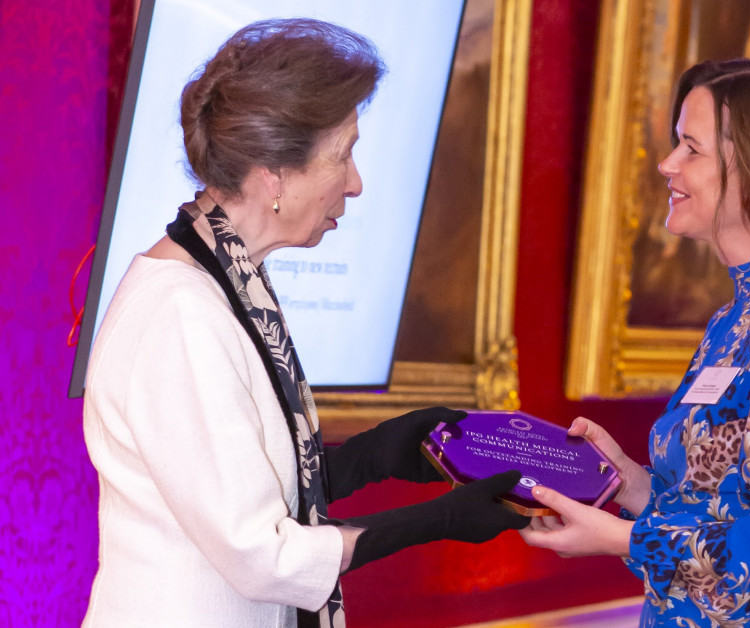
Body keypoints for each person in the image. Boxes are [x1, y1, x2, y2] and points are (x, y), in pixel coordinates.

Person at [82, 19, 527, 628]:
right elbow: (259, 551)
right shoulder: (180, 313)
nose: (356, 183)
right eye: (341, 155)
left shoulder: (227, 280)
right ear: (275, 175)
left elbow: (244, 483)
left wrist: (377, 453)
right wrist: (437, 521)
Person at [519, 58, 750, 627]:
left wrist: (622, 539)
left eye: (690, 148)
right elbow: (711, 512)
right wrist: (626, 480)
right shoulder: (742, 313)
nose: (667, 164)